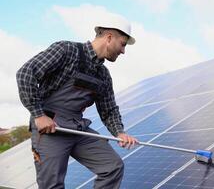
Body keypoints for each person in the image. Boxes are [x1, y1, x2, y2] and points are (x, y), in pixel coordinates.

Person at [16, 17, 138, 189]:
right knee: (52, 185)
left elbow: (109, 109)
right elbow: (26, 73)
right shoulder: (66, 50)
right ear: (109, 37)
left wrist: (119, 132)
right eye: (123, 44)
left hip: (77, 128)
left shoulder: (103, 74)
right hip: (51, 128)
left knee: (112, 167)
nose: (123, 51)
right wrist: (39, 114)